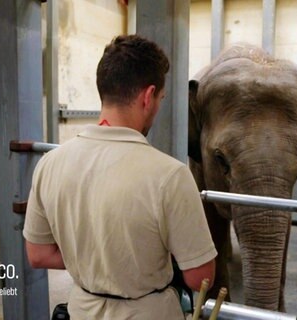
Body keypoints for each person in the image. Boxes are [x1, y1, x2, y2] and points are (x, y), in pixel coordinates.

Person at [23, 35, 217, 319]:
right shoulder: (170, 175)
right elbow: (201, 277)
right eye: (161, 99)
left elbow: (38, 254)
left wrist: (95, 259)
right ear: (148, 96)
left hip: (81, 310)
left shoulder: (49, 163)